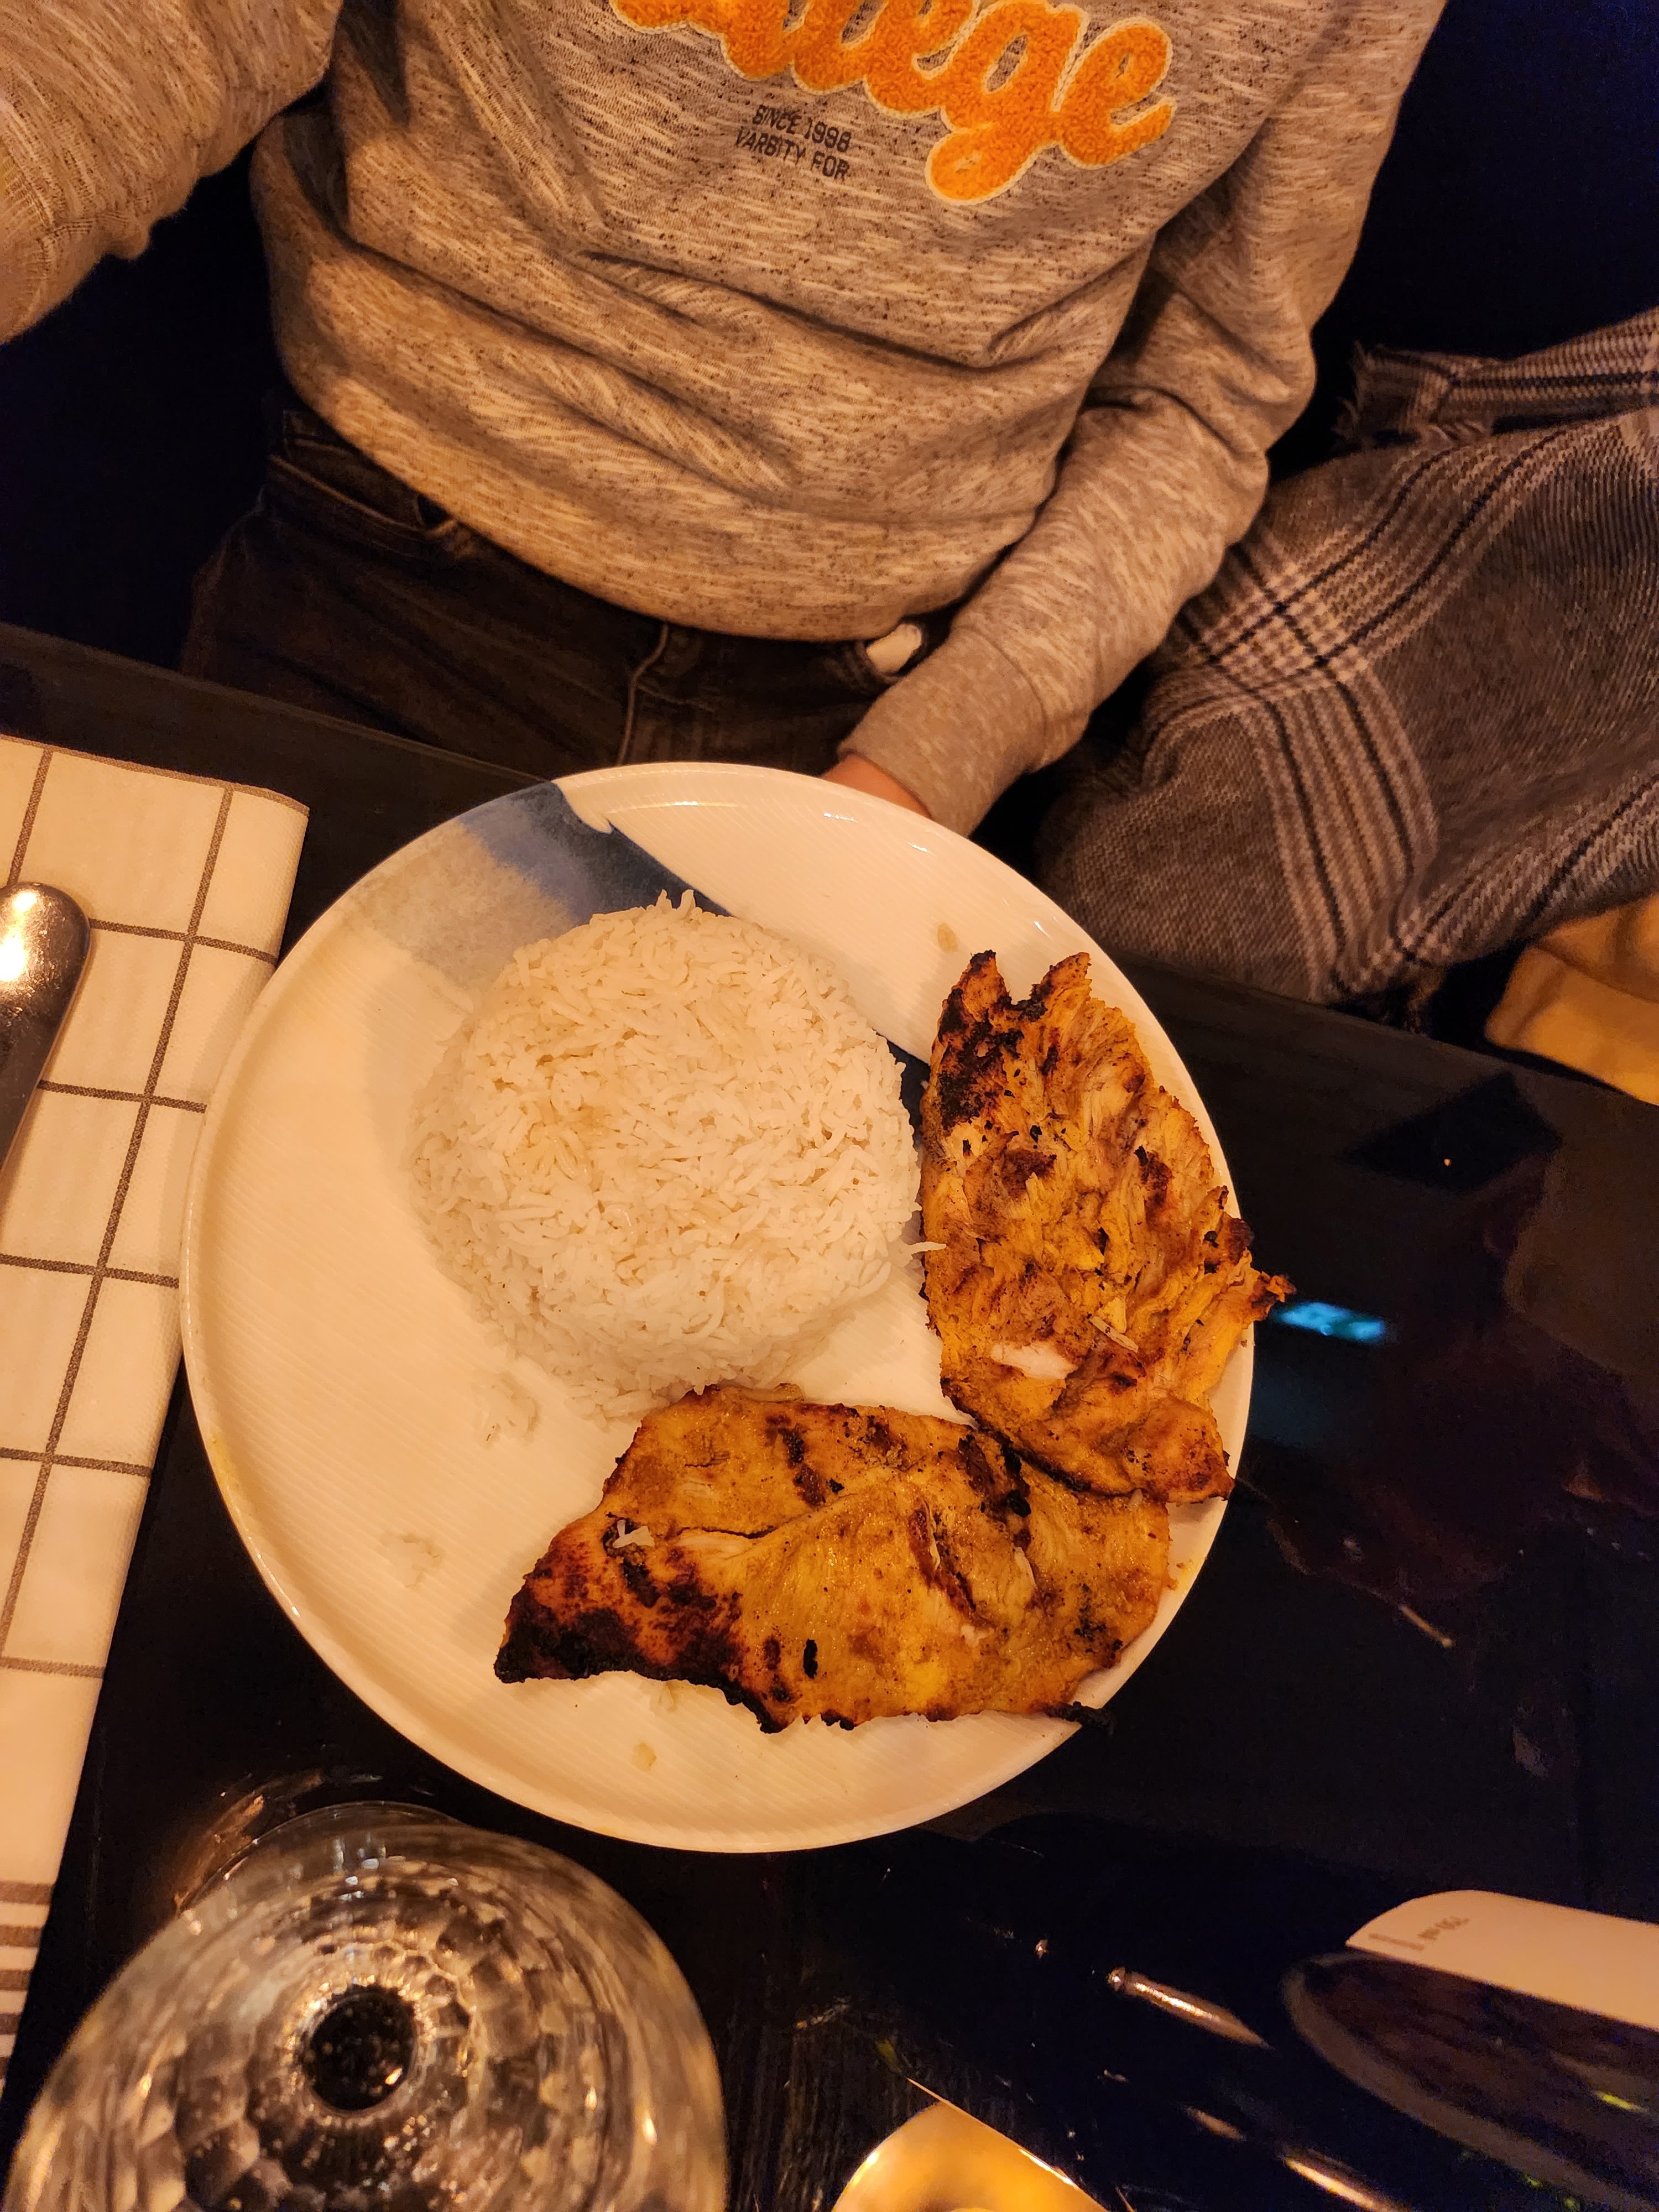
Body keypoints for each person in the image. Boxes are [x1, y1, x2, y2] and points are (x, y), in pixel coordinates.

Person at [0, 0, 1442, 831]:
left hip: (868, 700)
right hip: (380, 550)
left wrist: (928, 764)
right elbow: (140, 41)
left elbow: (1207, 387)